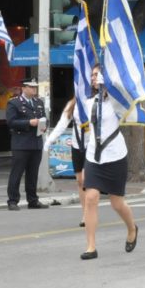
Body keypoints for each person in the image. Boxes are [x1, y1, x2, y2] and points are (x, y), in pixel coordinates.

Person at [81, 66, 139, 260]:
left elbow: (130, 99)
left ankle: (132, 228)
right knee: (91, 198)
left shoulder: (117, 103)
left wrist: (111, 86)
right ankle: (91, 246)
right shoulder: (88, 102)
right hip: (94, 156)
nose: (94, 78)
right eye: (92, 75)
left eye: (97, 74)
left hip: (115, 155)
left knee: (117, 203)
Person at [5, 78, 49, 211]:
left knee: (33, 173)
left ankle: (33, 200)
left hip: (36, 142)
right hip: (21, 143)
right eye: (31, 87)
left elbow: (44, 118)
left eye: (35, 87)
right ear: (24, 88)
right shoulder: (14, 103)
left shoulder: (39, 102)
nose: (34, 89)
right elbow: (11, 122)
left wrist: (44, 126)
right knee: (17, 173)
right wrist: (28, 123)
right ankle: (13, 200)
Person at [44, 97, 87, 226]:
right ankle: (85, 211)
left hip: (93, 147)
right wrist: (49, 141)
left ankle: (88, 214)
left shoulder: (97, 101)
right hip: (77, 146)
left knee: (86, 180)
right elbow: (62, 125)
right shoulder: (73, 104)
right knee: (80, 181)